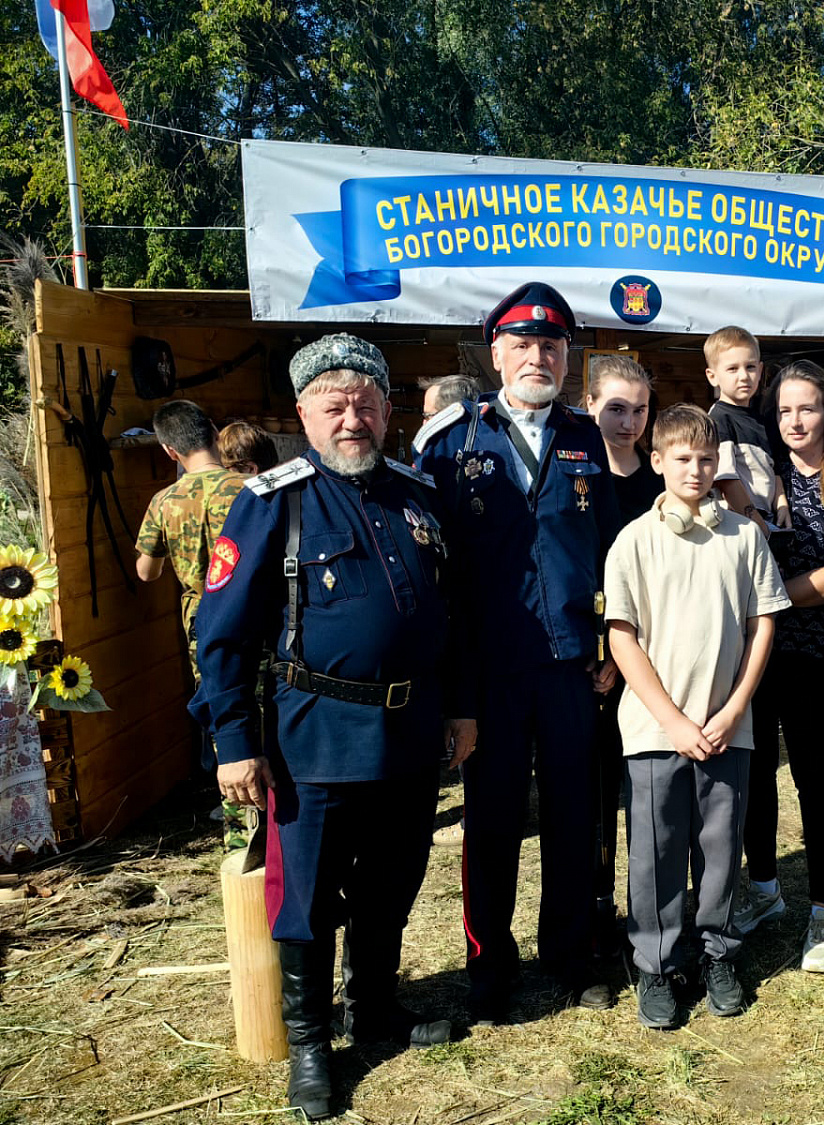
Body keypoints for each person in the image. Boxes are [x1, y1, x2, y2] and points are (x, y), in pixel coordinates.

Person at [191, 334, 459, 1121]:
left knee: (393, 879)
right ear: (303, 411)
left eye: (367, 403)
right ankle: (311, 1042)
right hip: (313, 736)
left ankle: (374, 1007)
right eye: (335, 405)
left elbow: (453, 615)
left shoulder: (416, 493)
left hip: (409, 734)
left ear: (386, 410)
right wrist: (233, 741)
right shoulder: (273, 500)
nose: (353, 419)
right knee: (304, 897)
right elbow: (224, 634)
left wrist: (460, 708)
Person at [412, 282, 621, 1020]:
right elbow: (434, 574)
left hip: (572, 667)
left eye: (553, 345)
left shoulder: (586, 436)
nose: (539, 355)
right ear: (495, 352)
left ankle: (570, 952)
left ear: (568, 356)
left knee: (574, 814)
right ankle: (488, 966)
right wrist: (451, 690)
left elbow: (612, 551)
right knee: (492, 822)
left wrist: (617, 647)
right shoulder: (452, 441)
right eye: (524, 344)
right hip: (489, 672)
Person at [604, 404, 790, 1028]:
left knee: (719, 846)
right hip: (658, 729)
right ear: (656, 462)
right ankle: (656, 963)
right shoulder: (634, 540)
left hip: (728, 728)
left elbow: (763, 624)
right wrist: (674, 720)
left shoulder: (743, 536)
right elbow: (623, 637)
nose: (696, 469)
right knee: (655, 851)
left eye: (707, 459)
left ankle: (716, 951)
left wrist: (736, 708)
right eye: (682, 458)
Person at [737, 360, 824, 973]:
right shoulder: (760, 478)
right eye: (784, 409)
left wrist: (772, 595)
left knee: (816, 783)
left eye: (806, 407)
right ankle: (762, 890)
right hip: (757, 654)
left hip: (817, 655)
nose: (794, 420)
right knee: (755, 778)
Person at [135, 401, 250, 849]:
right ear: (214, 431)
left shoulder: (164, 501)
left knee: (224, 718)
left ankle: (239, 835)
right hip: (258, 614)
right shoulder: (253, 488)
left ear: (169, 450)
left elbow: (147, 572)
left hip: (202, 621)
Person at [584, 355, 663, 945]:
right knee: (591, 789)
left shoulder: (660, 483)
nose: (629, 421)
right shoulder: (574, 472)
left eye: (639, 409)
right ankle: (595, 901)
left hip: (650, 654)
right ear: (589, 405)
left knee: (646, 788)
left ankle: (649, 906)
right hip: (587, 660)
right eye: (616, 407)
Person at [415, 374, 482, 850]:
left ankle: (473, 812)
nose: (424, 424)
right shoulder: (423, 472)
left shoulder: (451, 467)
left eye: (427, 414)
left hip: (472, 627)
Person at [703, 325, 789, 535]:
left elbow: (774, 470)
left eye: (750, 367)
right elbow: (726, 479)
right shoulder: (718, 419)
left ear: (760, 371)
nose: (743, 376)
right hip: (735, 521)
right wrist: (755, 519)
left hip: (765, 518)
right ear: (712, 376)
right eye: (732, 369)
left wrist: (782, 505)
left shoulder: (763, 421)